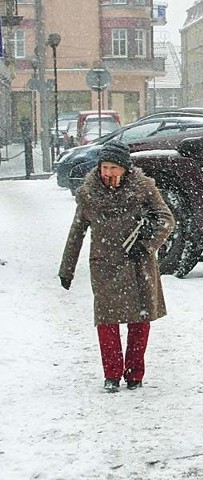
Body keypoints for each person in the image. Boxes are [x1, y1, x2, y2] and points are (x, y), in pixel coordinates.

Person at [59, 140, 175, 393]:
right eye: (104, 167)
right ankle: (111, 374)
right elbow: (77, 231)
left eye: (113, 167)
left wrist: (146, 244)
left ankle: (135, 374)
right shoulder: (89, 195)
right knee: (107, 322)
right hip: (105, 264)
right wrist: (66, 269)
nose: (108, 173)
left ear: (125, 168)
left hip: (138, 264)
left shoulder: (144, 189)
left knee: (140, 319)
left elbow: (166, 219)